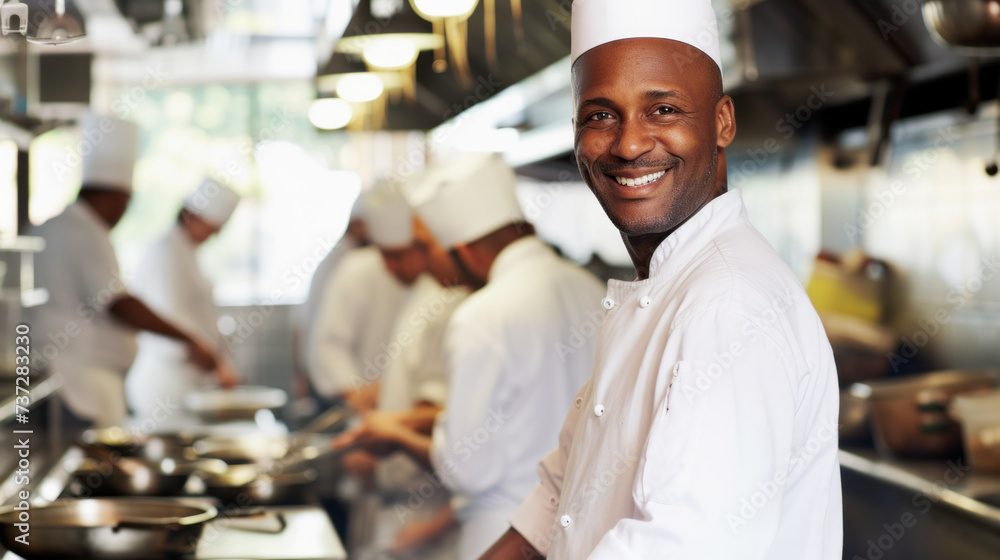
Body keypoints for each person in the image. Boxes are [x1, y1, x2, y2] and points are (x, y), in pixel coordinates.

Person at [481, 1, 843, 558]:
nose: (628, 145)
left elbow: (680, 547)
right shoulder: (665, 288)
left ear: (722, 121)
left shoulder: (725, 304)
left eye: (664, 110)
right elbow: (559, 498)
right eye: (600, 115)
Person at [335, 153, 606, 559]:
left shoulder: (482, 315)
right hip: (583, 531)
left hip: (502, 534)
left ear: (466, 250)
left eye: (432, 248)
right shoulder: (592, 290)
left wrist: (399, 437)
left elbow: (469, 468)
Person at [27, 114, 219, 428]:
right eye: (126, 203)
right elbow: (119, 303)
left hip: (75, 376)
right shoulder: (83, 231)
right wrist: (190, 340)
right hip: (78, 377)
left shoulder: (63, 226)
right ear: (116, 196)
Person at [125, 178, 242, 425]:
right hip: (164, 385)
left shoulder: (186, 251)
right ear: (192, 216)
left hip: (186, 382)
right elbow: (173, 321)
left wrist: (220, 362)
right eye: (213, 226)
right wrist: (217, 365)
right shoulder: (165, 252)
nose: (217, 234)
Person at [306, 181, 422, 410]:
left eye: (399, 256)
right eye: (385, 255)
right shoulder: (357, 269)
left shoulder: (437, 281)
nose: (390, 268)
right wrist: (359, 394)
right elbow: (329, 345)